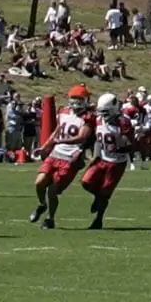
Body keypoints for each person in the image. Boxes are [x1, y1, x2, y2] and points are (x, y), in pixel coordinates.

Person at [29, 85, 95, 229]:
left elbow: (82, 137)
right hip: (55, 153)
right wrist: (45, 147)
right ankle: (42, 204)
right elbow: (56, 132)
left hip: (71, 157)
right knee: (39, 182)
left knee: (52, 190)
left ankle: (50, 219)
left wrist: (62, 141)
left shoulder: (88, 117)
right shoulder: (64, 112)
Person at [80, 93, 132, 228]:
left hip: (116, 162)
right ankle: (98, 197)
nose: (103, 114)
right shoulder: (98, 120)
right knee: (85, 182)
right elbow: (95, 139)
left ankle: (98, 219)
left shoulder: (123, 122)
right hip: (101, 158)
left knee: (105, 192)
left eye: (106, 111)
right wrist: (93, 154)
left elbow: (131, 144)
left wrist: (120, 146)